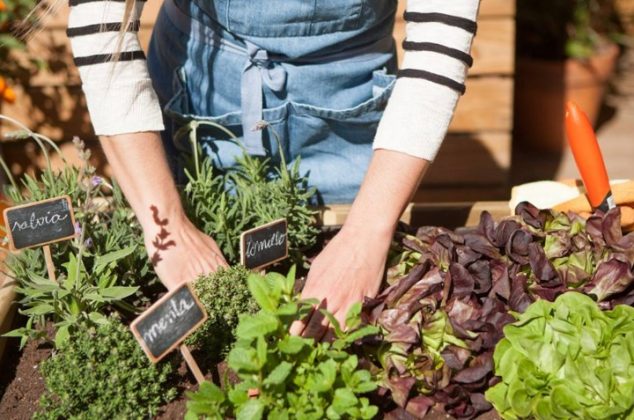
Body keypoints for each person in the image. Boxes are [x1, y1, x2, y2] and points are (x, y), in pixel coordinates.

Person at [65, 0, 480, 338]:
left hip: (347, 113)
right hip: (202, 102)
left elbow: (439, 45)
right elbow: (100, 26)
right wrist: (167, 225)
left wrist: (367, 231)